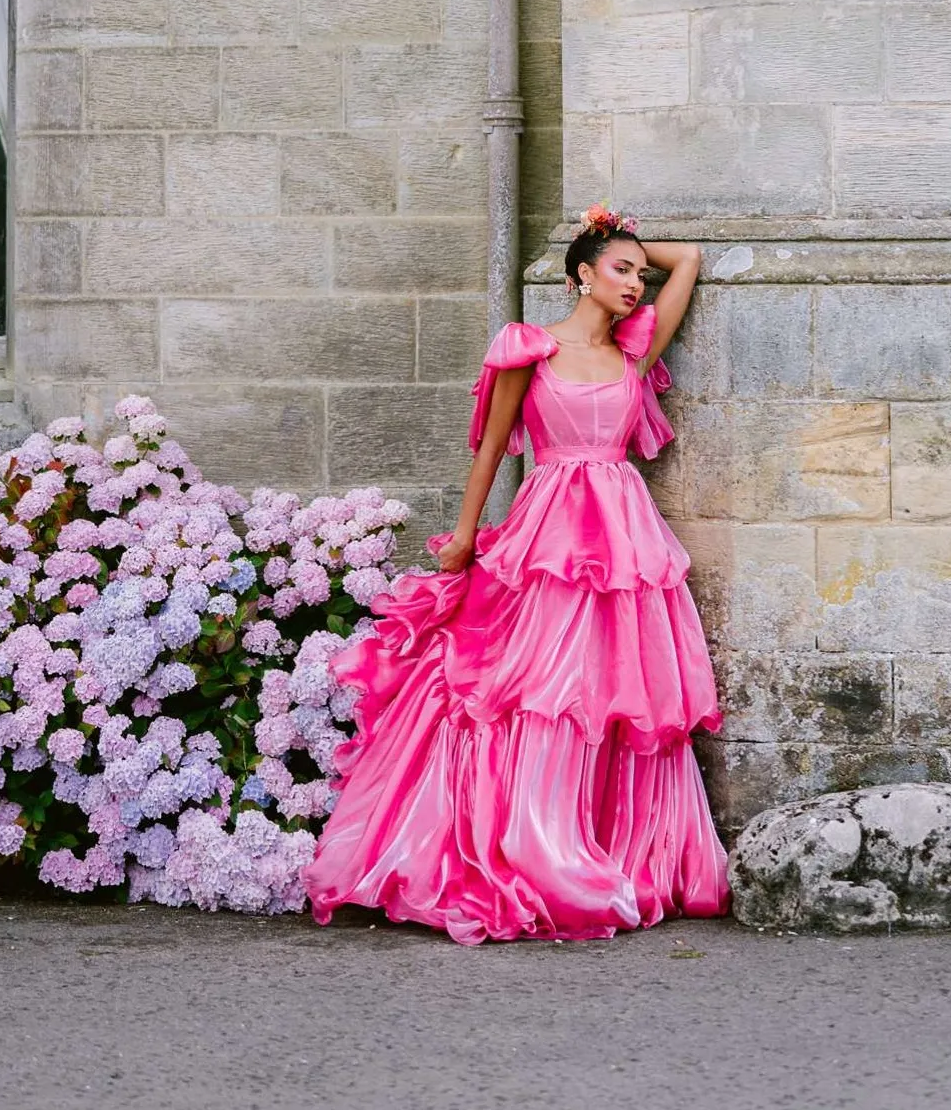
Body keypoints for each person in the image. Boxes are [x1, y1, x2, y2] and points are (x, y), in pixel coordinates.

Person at [302, 206, 729, 945]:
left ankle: (618, 844)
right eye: (619, 270)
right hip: (549, 531)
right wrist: (465, 533)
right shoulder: (528, 349)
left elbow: (686, 257)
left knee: (615, 688)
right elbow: (494, 447)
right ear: (580, 277)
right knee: (540, 688)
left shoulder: (634, 349)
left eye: (637, 273)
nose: (635, 282)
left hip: (625, 534)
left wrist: (613, 230)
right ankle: (535, 840)